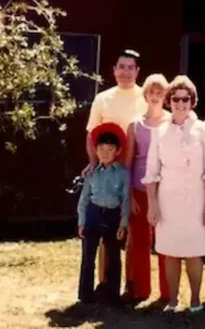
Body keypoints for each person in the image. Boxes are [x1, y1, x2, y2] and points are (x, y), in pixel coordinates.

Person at [143, 76, 205, 313]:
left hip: (195, 200)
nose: (180, 103)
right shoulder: (160, 131)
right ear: (169, 101)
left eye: (185, 99)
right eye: (175, 99)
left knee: (194, 252)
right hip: (168, 200)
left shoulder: (204, 130)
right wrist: (152, 205)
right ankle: (173, 300)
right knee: (171, 252)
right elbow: (152, 172)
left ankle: (195, 299)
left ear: (192, 101)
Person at [84, 49, 146, 286]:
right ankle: (104, 282)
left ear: (138, 71)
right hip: (107, 171)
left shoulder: (145, 97)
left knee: (132, 229)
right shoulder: (103, 98)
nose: (126, 72)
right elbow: (91, 134)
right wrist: (93, 163)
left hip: (137, 170)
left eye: (131, 68)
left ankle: (132, 285)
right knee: (104, 228)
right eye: (122, 66)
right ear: (114, 70)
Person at [122, 73, 171, 302]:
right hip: (139, 190)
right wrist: (129, 194)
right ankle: (140, 290)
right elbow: (128, 162)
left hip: (168, 191)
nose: (155, 96)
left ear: (166, 96)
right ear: (146, 94)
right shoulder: (135, 124)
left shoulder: (172, 122)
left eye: (160, 92)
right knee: (141, 241)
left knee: (166, 242)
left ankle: (168, 293)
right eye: (151, 92)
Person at [77, 123, 130, 304]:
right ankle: (85, 294)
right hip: (93, 214)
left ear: (117, 151)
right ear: (96, 150)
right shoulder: (92, 173)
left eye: (110, 149)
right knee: (88, 255)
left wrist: (123, 223)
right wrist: (82, 222)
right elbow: (84, 200)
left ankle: (112, 293)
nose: (105, 152)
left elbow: (125, 200)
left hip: (112, 215)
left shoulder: (123, 174)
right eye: (101, 149)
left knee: (114, 255)